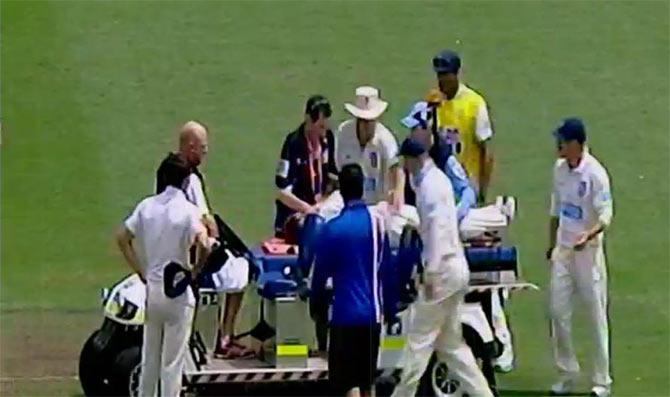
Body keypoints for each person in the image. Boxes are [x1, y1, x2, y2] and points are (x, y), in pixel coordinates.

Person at [400, 101, 516, 371]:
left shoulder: (442, 157)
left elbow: (467, 191)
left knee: (420, 349)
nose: (411, 133)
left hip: (449, 229)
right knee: (454, 350)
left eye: (416, 127)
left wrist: (454, 214)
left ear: (427, 128)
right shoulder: (414, 161)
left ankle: (498, 213)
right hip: (433, 232)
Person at [391, 138, 492, 397]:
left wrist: (431, 273)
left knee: (417, 343)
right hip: (455, 269)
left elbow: (437, 231)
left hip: (443, 272)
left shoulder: (429, 187)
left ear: (413, 159)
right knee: (451, 348)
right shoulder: (435, 180)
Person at [116, 155, 213, 397]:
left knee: (150, 359)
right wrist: (195, 269)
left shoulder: (146, 206)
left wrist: (142, 272)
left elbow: (122, 239)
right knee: (172, 365)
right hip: (178, 292)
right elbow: (206, 244)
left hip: (153, 289)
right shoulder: (189, 211)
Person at [156, 121, 252, 359]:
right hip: (193, 251)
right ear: (190, 147)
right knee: (243, 268)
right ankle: (225, 337)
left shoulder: (165, 171)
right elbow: (206, 220)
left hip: (169, 249)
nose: (205, 152)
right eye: (203, 147)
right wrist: (214, 244)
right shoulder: (191, 179)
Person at [311, 163, 395, 397]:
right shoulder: (378, 225)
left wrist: (315, 305)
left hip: (344, 317)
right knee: (368, 383)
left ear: (342, 191)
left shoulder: (332, 229)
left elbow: (320, 275)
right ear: (362, 189)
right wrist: (390, 309)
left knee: (347, 385)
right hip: (372, 317)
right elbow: (387, 270)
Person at [547, 118, 613, 397]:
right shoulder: (560, 170)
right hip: (563, 252)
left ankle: (602, 381)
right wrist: (551, 246)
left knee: (595, 314)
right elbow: (556, 210)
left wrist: (588, 234)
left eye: (562, 141)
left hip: (588, 254)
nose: (558, 146)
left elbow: (606, 215)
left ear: (576, 143)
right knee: (557, 312)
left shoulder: (595, 174)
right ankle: (567, 373)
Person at [429, 49, 494, 203]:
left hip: (467, 187)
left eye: (446, 75)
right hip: (441, 187)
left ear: (456, 74)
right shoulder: (434, 102)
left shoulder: (474, 103)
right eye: (439, 75)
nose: (441, 80)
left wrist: (482, 192)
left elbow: (486, 152)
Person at [275, 95, 338, 236]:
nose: (325, 130)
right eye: (320, 126)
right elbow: (282, 192)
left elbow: (333, 178)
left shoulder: (328, 138)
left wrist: (323, 205)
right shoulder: (293, 144)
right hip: (295, 216)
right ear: (309, 119)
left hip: (321, 210)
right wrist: (308, 209)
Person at [335, 86, 404, 208]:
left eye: (370, 121)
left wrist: (398, 194)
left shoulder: (386, 139)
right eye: (362, 121)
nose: (366, 125)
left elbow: (396, 170)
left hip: (377, 205)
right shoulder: (343, 132)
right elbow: (339, 168)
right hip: (348, 202)